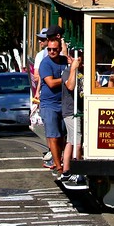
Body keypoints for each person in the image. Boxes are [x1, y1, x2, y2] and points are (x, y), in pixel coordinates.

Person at [36, 36, 73, 179]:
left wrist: (74, 65)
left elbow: (74, 70)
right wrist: (67, 78)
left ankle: (64, 160)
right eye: (49, 49)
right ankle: (59, 167)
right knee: (54, 135)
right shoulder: (46, 64)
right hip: (49, 104)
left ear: (59, 49)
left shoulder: (65, 61)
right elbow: (50, 83)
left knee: (65, 134)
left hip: (64, 102)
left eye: (55, 49)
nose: (52, 52)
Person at [60, 47, 87, 189]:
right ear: (70, 59)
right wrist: (73, 69)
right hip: (70, 111)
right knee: (77, 139)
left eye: (81, 57)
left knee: (71, 140)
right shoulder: (66, 72)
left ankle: (66, 170)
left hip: (80, 109)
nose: (79, 60)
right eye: (77, 57)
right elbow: (70, 86)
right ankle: (77, 170)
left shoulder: (84, 72)